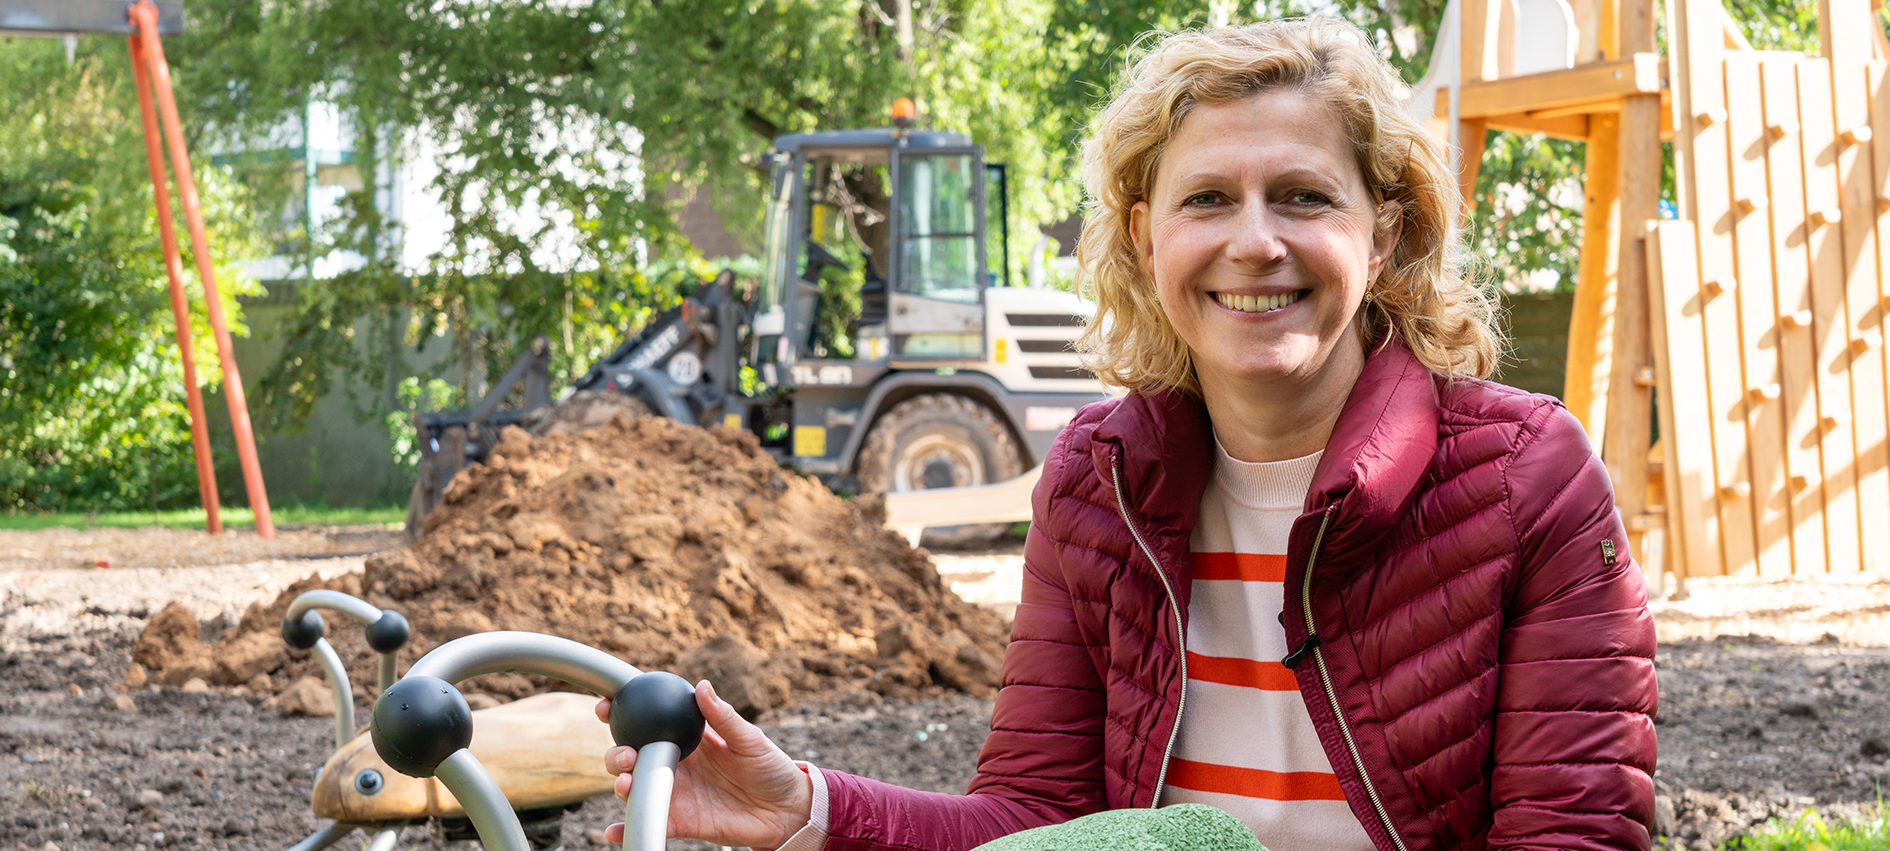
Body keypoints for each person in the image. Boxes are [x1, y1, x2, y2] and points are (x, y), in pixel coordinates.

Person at [598, 17, 1658, 851]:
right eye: (1209, 199)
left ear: (1380, 234)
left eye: (1302, 197)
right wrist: (809, 806)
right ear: (1148, 238)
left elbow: (1571, 835)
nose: (1255, 241)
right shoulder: (1094, 482)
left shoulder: (1527, 477)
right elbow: (1037, 821)